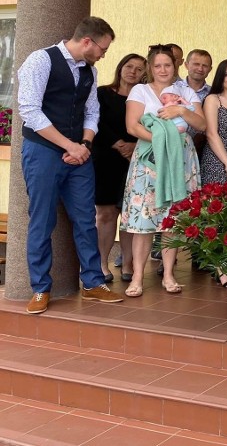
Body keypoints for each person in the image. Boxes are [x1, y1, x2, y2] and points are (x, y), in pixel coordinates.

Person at [17, 16, 125, 314]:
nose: (104, 54)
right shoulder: (41, 60)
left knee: (85, 219)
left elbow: (92, 112)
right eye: (102, 48)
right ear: (87, 42)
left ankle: (92, 283)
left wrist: (85, 145)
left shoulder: (90, 70)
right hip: (43, 153)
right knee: (42, 220)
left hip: (80, 155)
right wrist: (69, 146)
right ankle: (40, 288)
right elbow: (29, 111)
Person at [121, 45, 206, 297]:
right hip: (150, 159)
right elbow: (132, 126)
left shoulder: (187, 91)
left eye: (167, 65)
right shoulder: (140, 90)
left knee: (173, 218)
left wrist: (181, 110)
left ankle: (168, 274)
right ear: (150, 67)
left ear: (175, 66)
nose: (162, 70)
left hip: (180, 157)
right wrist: (160, 143)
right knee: (143, 219)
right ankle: (137, 277)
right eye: (157, 65)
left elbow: (201, 124)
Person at [93, 53, 145, 284]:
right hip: (105, 158)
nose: (133, 71)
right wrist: (119, 144)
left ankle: (127, 263)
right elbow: (95, 121)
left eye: (139, 68)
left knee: (129, 214)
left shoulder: (145, 97)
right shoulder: (102, 93)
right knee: (105, 214)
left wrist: (134, 146)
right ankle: (102, 264)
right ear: (120, 67)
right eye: (129, 66)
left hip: (135, 159)